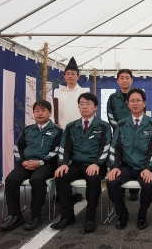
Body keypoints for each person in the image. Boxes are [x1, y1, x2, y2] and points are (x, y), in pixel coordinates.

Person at [51, 93, 111, 233]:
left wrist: (97, 163)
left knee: (93, 179)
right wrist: (63, 163)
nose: (84, 106)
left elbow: (106, 147)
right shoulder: (71, 127)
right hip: (76, 165)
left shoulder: (103, 126)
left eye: (88, 103)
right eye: (82, 104)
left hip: (96, 165)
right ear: (78, 107)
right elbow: (64, 148)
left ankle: (90, 218)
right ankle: (67, 216)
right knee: (61, 175)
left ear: (95, 107)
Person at [1, 100, 62, 231]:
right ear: (33, 113)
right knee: (11, 180)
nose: (40, 113)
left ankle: (35, 216)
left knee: (37, 179)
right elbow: (18, 147)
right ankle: (16, 215)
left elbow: (57, 150)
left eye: (43, 110)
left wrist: (41, 162)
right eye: (37, 111)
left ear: (50, 113)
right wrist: (22, 161)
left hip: (47, 164)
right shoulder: (27, 130)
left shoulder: (57, 131)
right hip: (27, 163)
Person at [106, 88, 152, 230]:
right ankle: (122, 213)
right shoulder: (121, 124)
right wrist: (114, 167)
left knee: (148, 184)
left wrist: (149, 168)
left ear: (144, 103)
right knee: (111, 181)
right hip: (127, 166)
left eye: (138, 100)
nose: (135, 103)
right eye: (132, 101)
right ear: (128, 104)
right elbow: (115, 148)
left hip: (145, 166)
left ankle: (142, 214)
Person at [105, 69, 141, 201]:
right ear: (118, 81)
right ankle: (120, 185)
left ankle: (134, 190)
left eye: (127, 78)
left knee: (134, 157)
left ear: (132, 80)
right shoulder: (113, 98)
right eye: (122, 78)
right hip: (118, 133)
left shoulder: (137, 96)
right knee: (119, 158)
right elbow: (109, 114)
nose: (125, 80)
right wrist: (120, 128)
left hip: (136, 133)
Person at [53, 58, 89, 128]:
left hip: (79, 129)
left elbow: (89, 112)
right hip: (61, 129)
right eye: (68, 74)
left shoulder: (84, 93)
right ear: (64, 76)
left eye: (73, 74)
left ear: (78, 76)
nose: (70, 76)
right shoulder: (59, 93)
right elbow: (54, 113)